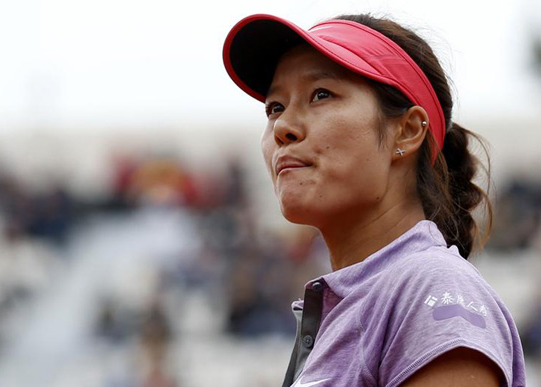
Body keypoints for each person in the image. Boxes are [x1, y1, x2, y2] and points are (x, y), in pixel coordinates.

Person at [222, 13, 526, 387]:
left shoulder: (430, 287)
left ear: (408, 131)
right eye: (275, 107)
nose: (283, 128)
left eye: (321, 94)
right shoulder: (360, 303)